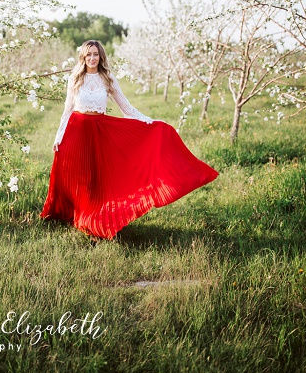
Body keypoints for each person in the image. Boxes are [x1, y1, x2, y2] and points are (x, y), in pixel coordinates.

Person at [41, 39, 217, 239]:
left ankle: (91, 217)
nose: (92, 58)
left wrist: (150, 122)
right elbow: (68, 109)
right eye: (88, 54)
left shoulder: (107, 78)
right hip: (76, 130)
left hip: (99, 132)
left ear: (101, 56)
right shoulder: (75, 78)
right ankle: (76, 213)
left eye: (95, 54)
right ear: (83, 56)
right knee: (78, 176)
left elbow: (127, 108)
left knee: (96, 178)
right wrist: (59, 136)